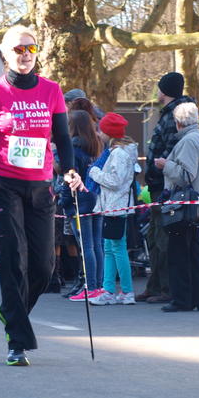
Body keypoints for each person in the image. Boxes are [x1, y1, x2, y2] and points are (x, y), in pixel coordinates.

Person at [0, 24, 81, 366]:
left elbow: (62, 138)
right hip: (2, 185)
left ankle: (10, 311)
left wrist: (69, 170)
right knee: (14, 259)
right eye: (18, 49)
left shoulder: (51, 90)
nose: (25, 55)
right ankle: (17, 343)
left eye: (31, 48)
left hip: (40, 187)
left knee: (44, 266)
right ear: (5, 53)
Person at [137, 72, 195, 304]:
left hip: (164, 186)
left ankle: (166, 288)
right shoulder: (169, 112)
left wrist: (156, 170)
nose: (157, 91)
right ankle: (154, 286)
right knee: (153, 236)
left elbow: (169, 149)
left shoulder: (174, 115)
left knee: (163, 239)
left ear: (165, 90)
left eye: (160, 87)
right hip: (157, 184)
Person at [154, 102, 199, 312]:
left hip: (184, 210)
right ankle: (197, 298)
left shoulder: (188, 141)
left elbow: (186, 175)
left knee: (179, 255)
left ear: (178, 122)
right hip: (195, 208)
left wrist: (165, 165)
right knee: (193, 255)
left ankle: (182, 299)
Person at [89, 113, 138, 306]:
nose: (98, 134)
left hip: (116, 206)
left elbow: (115, 181)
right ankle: (112, 289)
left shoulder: (118, 154)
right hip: (115, 206)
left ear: (109, 133)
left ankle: (123, 290)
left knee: (116, 249)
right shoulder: (121, 152)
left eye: (101, 130)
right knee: (111, 248)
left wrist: (95, 173)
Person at [58, 110, 103, 302]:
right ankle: (98, 286)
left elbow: (69, 179)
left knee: (86, 247)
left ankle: (90, 287)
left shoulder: (73, 150)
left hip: (80, 203)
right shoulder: (97, 147)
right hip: (96, 199)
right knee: (96, 245)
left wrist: (64, 201)